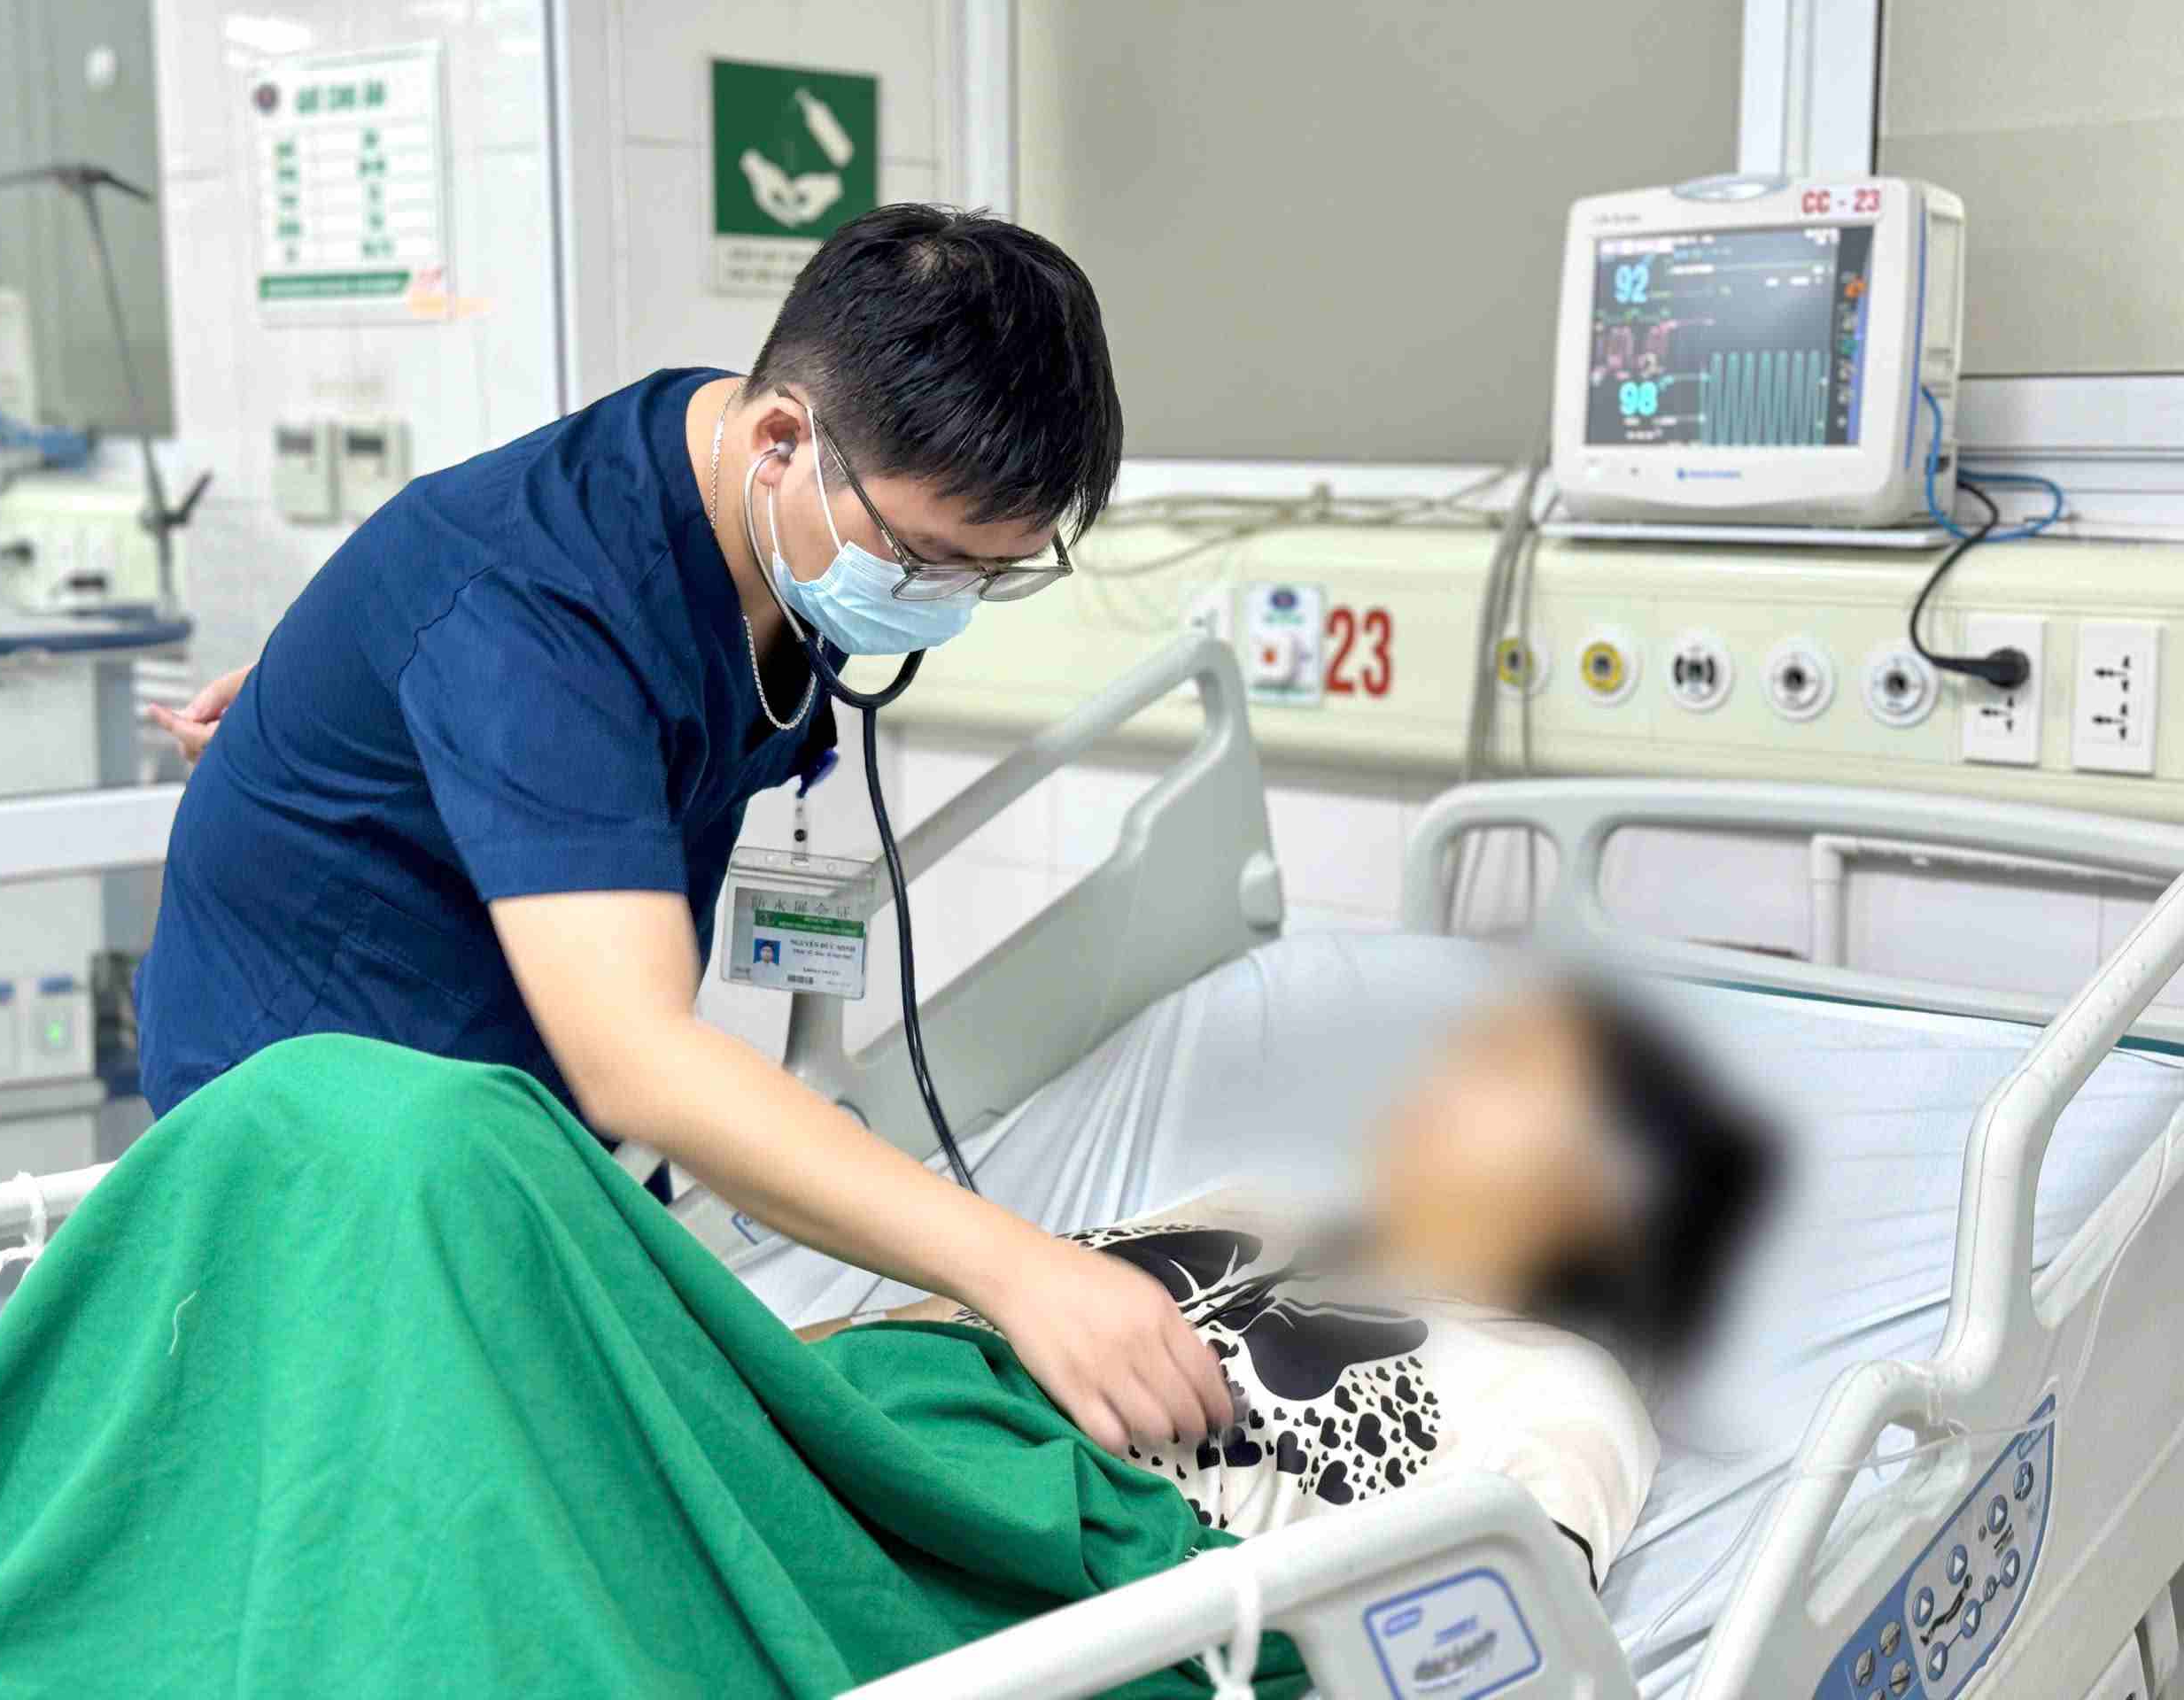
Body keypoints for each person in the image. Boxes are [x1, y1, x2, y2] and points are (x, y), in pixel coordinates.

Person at [136, 204, 1235, 1457]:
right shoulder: (536, 612)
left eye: (991, 572)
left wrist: (337, 693)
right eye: (929, 558)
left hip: (527, 1104)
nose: (946, 602)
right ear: (780, 438)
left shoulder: (769, 519)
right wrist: (1021, 1269)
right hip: (326, 1121)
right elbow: (639, 1060)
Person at [802, 972, 1782, 1587]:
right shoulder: (1255, 1205)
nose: (1436, 1074)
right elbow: (934, 1325)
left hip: (1022, 1535)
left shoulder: (1564, 1386)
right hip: (856, 1422)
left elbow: (1507, 1632)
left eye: (1504, 1066)